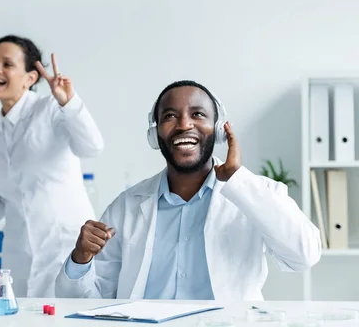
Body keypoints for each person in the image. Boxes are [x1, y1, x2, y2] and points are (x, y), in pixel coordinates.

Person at [55, 80, 322, 301]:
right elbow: (89, 303)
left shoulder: (256, 192)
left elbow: (303, 255)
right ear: (155, 133)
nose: (184, 124)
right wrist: (80, 260)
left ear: (218, 130)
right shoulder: (126, 207)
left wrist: (238, 180)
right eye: (170, 116)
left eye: (198, 114)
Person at [0, 35, 104, 297]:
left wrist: (69, 102)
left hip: (67, 251)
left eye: (7, 64)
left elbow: (92, 147)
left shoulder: (51, 109)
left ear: (30, 78)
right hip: (19, 262)